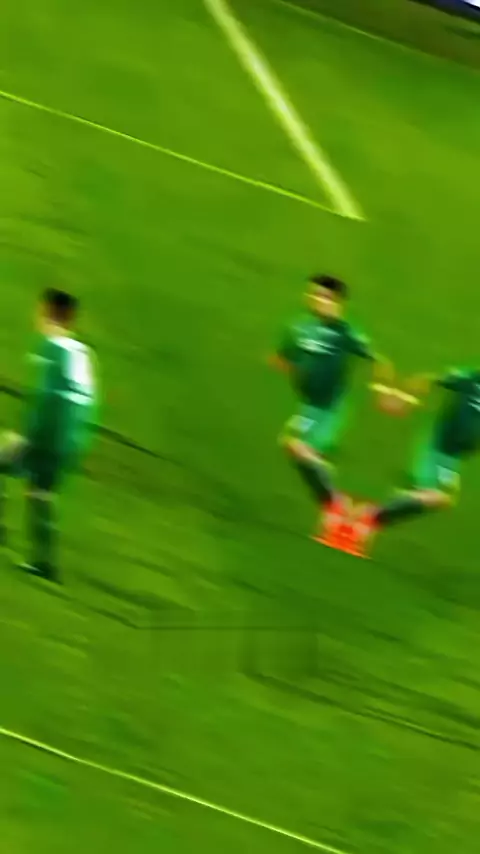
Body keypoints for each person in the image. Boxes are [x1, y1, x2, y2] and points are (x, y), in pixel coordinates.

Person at [270, 274, 393, 539]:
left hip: (329, 408)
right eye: (313, 294)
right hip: (309, 404)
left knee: (296, 446)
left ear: (338, 302)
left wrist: (381, 389)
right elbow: (284, 358)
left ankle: (337, 505)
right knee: (294, 448)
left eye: (324, 297)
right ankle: (335, 506)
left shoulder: (345, 333)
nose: (317, 300)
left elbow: (378, 361)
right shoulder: (299, 327)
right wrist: (294, 369)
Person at [0, 289, 97, 582]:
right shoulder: (82, 352)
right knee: (41, 493)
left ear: (48, 312)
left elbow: (48, 396)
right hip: (71, 438)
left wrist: (30, 434)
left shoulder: (52, 347)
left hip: (48, 432)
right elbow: (86, 400)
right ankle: (45, 563)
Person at [352, 366, 480, 555]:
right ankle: (368, 518)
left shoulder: (472, 376)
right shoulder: (472, 377)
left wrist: (404, 398)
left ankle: (373, 518)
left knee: (436, 495)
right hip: (446, 446)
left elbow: (430, 379)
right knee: (439, 495)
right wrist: (403, 399)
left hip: (453, 447)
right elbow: (431, 379)